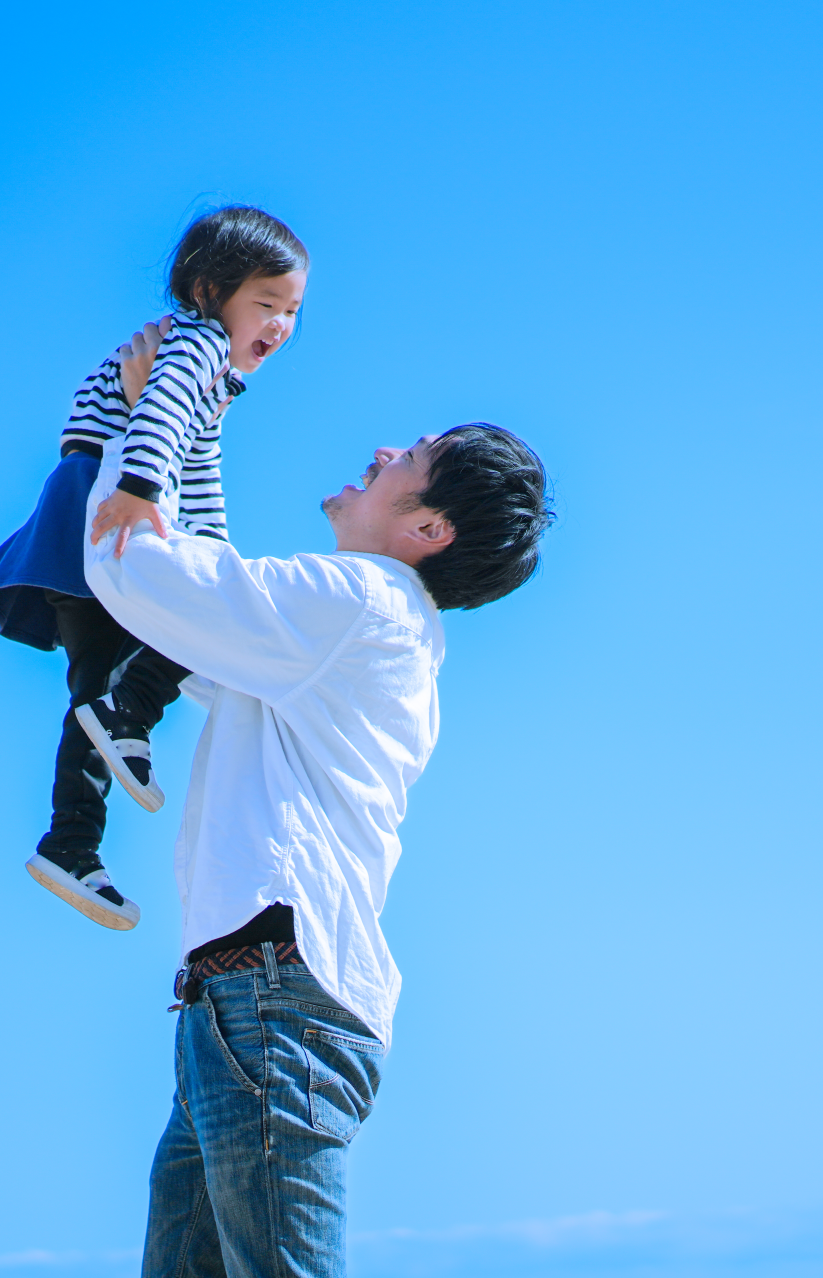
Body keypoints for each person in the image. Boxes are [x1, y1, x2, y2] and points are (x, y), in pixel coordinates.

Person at [82, 378, 553, 1277]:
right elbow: (189, 611)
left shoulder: (363, 601)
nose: (382, 452)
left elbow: (139, 570)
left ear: (429, 529)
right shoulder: (368, 630)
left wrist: (144, 421)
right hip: (247, 1003)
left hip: (271, 998)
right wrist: (191, 426)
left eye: (411, 458)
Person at [0, 205, 309, 930]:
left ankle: (71, 842)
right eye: (267, 303)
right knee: (198, 630)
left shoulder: (209, 365)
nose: (280, 325)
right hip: (111, 501)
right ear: (209, 292)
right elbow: (163, 415)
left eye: (293, 311)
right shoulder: (198, 343)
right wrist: (142, 486)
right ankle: (130, 714)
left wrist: (213, 551)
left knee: (93, 686)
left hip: (97, 501)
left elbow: (198, 469)